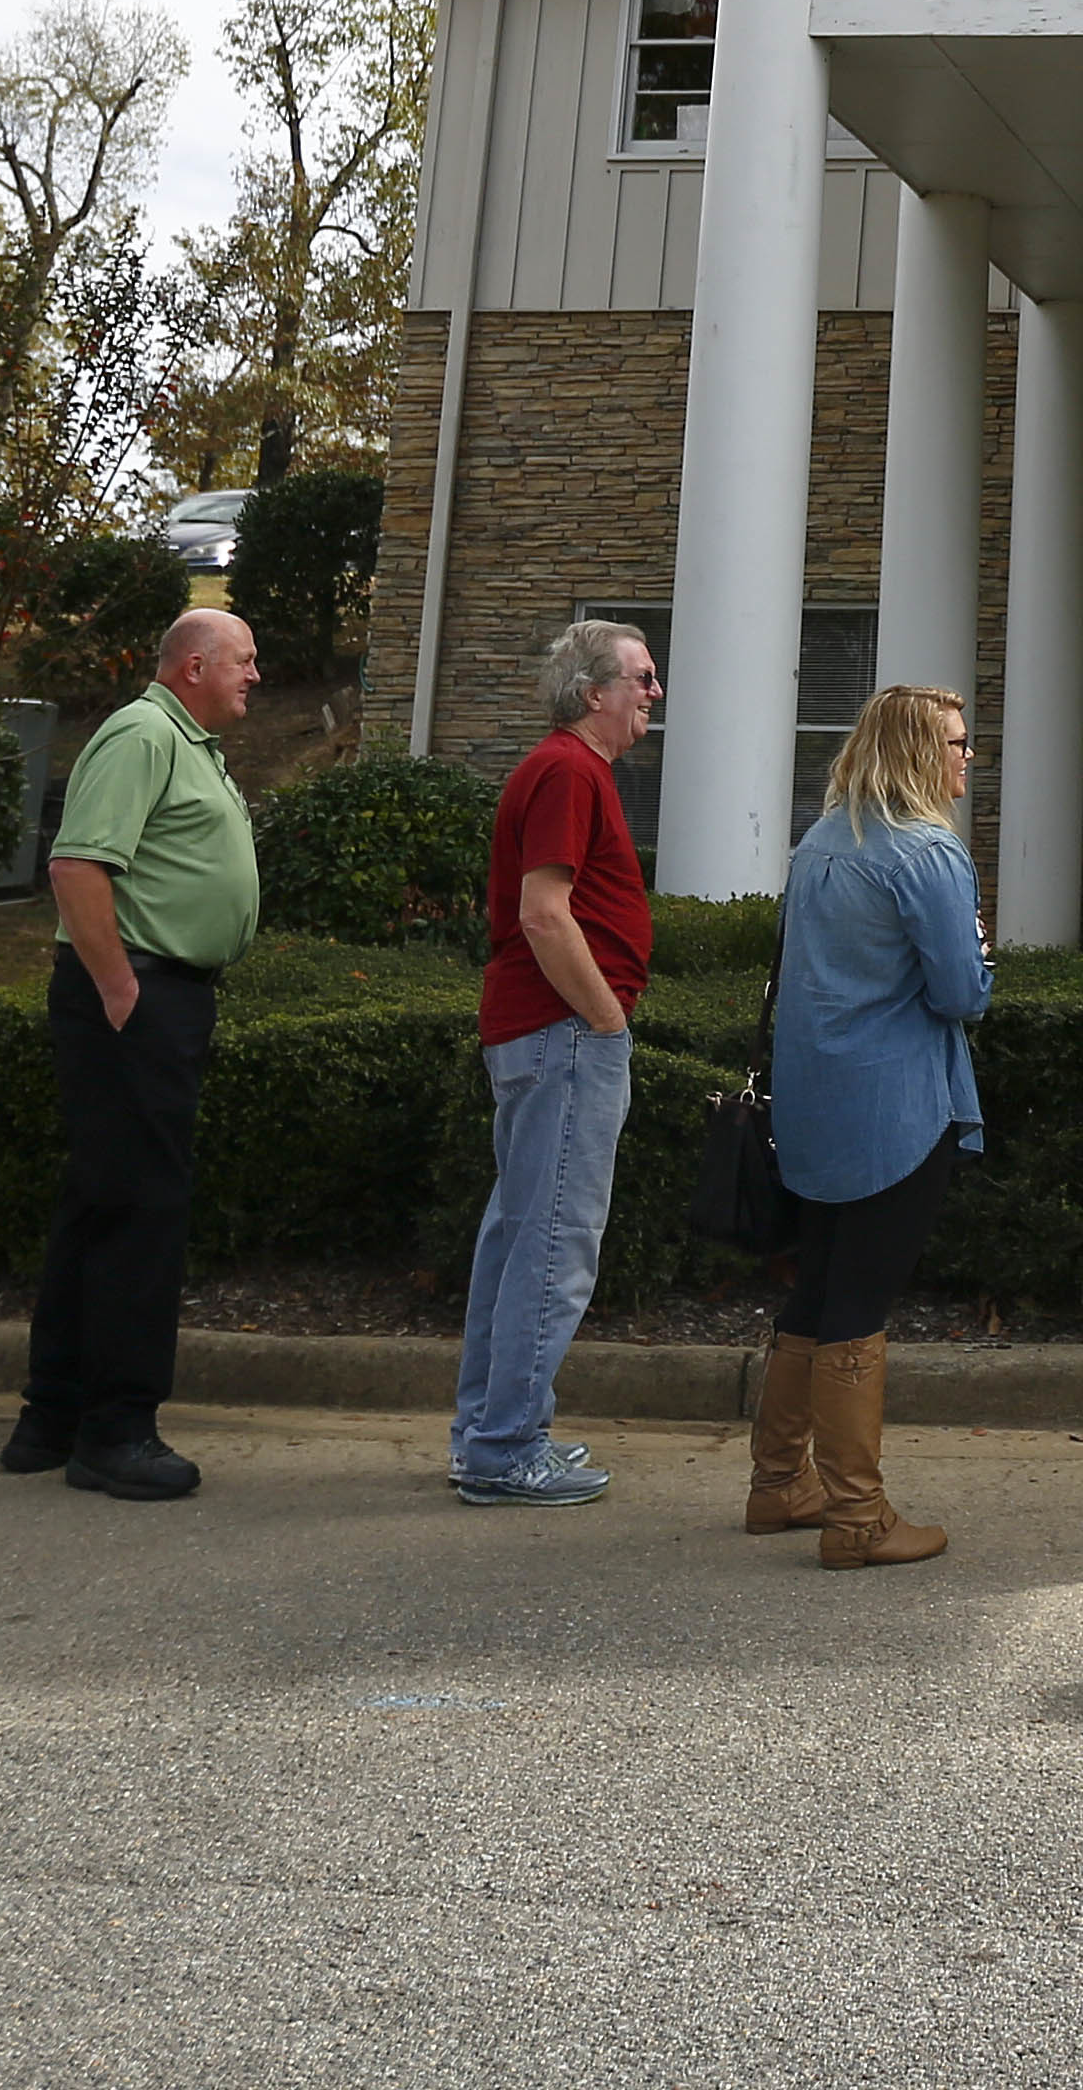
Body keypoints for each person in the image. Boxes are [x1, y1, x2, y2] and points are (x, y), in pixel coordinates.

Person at [21, 608, 267, 1500]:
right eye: (242, 661)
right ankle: (116, 1431)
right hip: (136, 996)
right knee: (140, 1211)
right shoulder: (142, 733)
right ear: (193, 664)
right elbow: (79, 866)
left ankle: (51, 1417)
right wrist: (123, 991)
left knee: (101, 1200)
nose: (254, 675)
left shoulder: (191, 745)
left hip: (160, 994)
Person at [757, 680, 990, 1567]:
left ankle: (779, 1482)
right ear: (918, 752)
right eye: (958, 744)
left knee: (817, 1286)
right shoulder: (928, 853)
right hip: (897, 1104)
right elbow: (961, 993)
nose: (968, 756)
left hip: (815, 1097)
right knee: (861, 1296)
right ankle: (857, 1516)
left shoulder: (820, 841)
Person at [449, 617, 656, 1508]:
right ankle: (504, 1447)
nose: (653, 692)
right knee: (551, 1245)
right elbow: (544, 912)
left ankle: (490, 1433)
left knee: (516, 1237)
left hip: (541, 1034)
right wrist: (605, 1019)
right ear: (591, 692)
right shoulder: (571, 770)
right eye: (641, 677)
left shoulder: (566, 771)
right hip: (564, 1034)